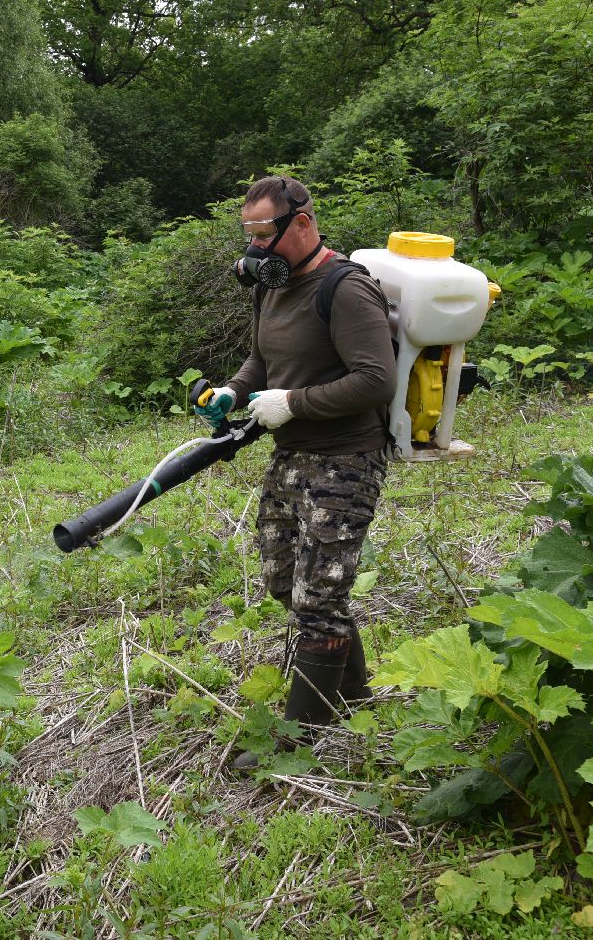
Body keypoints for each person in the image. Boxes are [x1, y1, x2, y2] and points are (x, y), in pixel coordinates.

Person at [199, 175, 396, 771]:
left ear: (303, 222)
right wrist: (234, 392)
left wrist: (293, 403)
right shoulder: (272, 286)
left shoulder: (346, 290)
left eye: (266, 234)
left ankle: (295, 741)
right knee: (287, 581)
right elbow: (263, 355)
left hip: (347, 457)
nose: (256, 248)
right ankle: (355, 696)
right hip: (292, 456)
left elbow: (375, 379)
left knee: (320, 598)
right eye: (250, 235)